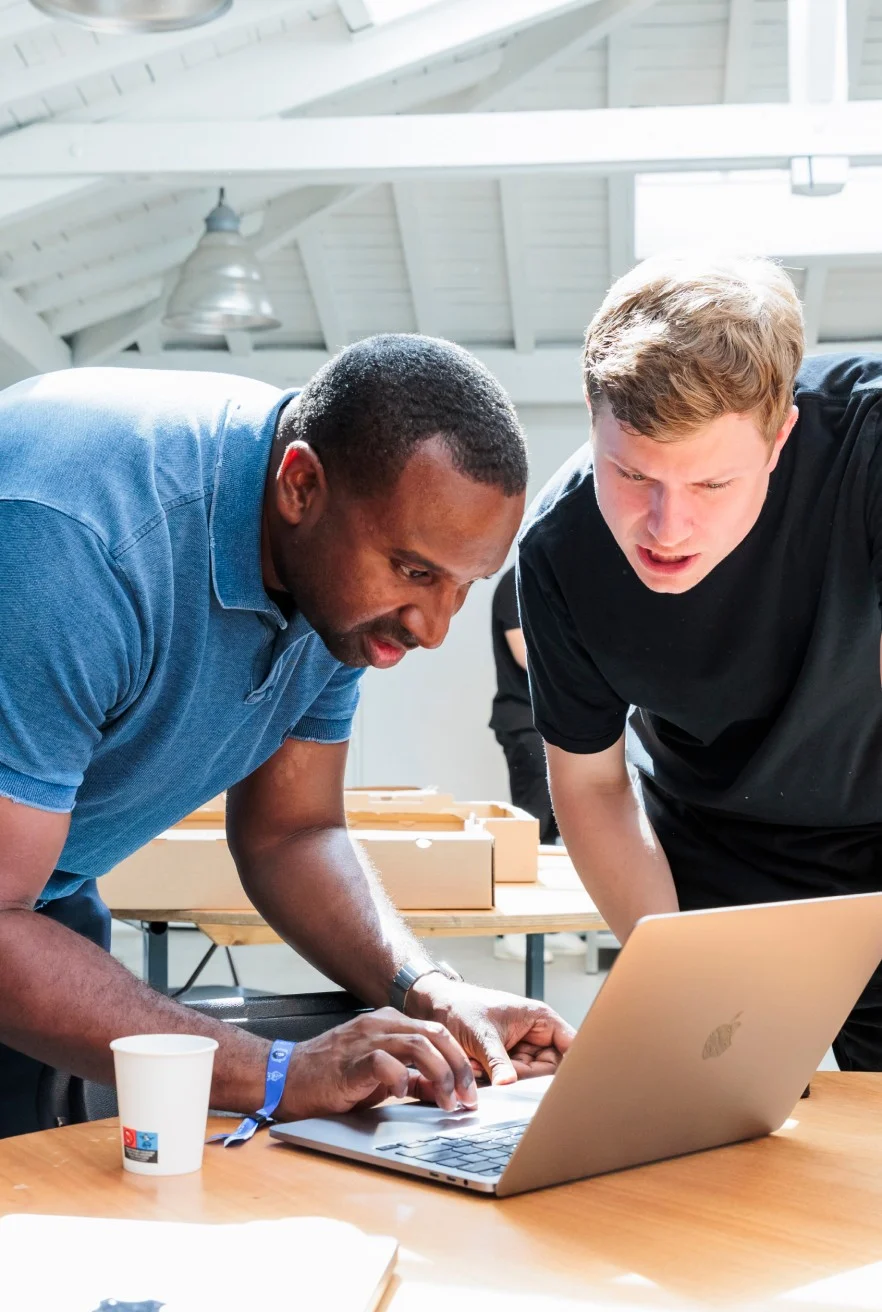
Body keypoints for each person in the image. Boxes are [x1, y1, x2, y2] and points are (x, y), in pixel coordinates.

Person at [0, 334, 574, 1139]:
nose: (434, 628)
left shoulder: (333, 580)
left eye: (463, 587)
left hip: (38, 899)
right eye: (414, 571)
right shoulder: (77, 544)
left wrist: (432, 990)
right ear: (300, 485)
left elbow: (292, 833)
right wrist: (277, 1072)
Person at [518, 251, 882, 1072]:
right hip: (712, 850)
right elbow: (592, 785)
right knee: (701, 1132)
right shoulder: (558, 552)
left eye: (712, 484)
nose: (665, 528)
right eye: (632, 473)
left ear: (782, 434)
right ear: (590, 411)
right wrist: (672, 975)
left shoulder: (870, 445)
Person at [490, 565, 558, 844]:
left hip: (555, 724)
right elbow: (526, 657)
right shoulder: (517, 582)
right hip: (526, 723)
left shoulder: (561, 583)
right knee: (534, 824)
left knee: (558, 826)